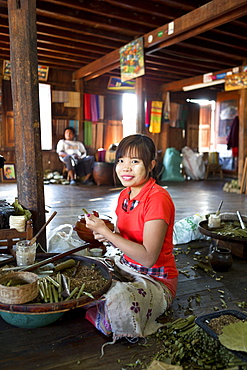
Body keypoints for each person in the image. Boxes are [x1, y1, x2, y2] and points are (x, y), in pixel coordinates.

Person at [84, 134, 178, 345]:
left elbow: (147, 258)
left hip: (156, 280)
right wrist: (104, 233)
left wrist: (108, 234)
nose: (126, 167)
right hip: (127, 267)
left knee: (121, 301)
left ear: (151, 165)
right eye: (121, 161)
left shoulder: (157, 199)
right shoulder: (124, 196)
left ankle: (105, 313)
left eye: (135, 162)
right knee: (88, 273)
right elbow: (122, 237)